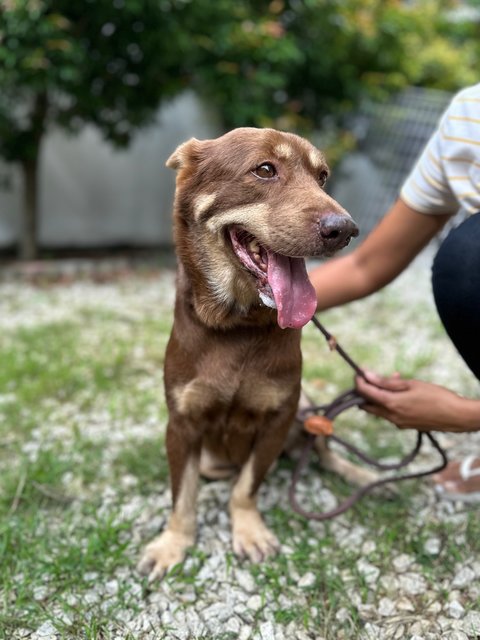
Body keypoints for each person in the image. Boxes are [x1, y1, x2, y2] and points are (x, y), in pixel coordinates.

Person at [309, 82, 480, 501]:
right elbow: (367, 266)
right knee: (469, 266)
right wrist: (250, 302)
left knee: (470, 256)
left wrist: (465, 415)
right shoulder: (469, 116)